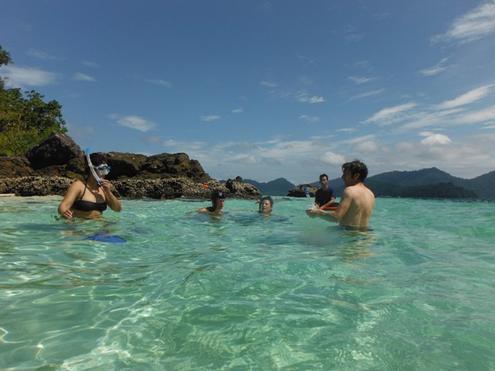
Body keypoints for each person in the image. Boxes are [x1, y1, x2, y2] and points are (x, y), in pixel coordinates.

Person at [309, 160, 375, 229]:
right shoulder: (370, 194)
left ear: (356, 175)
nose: (342, 177)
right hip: (366, 235)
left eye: (345, 174)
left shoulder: (349, 191)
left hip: (348, 235)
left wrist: (317, 212)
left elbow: (336, 217)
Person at [58, 153, 122, 219]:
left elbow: (117, 209)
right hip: (80, 225)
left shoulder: (104, 189)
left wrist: (108, 192)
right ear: (92, 170)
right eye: (102, 170)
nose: (105, 173)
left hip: (98, 226)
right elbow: (63, 206)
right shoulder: (79, 186)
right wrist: (64, 212)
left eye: (107, 170)